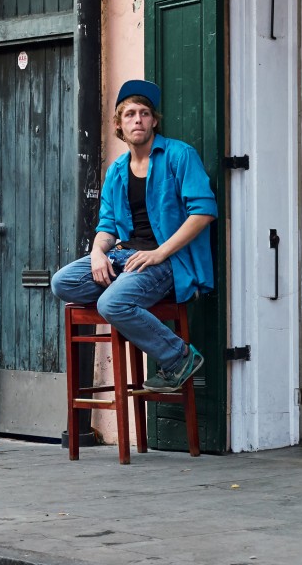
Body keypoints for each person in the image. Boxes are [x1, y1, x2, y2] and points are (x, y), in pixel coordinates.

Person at [51, 80, 216, 392]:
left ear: (154, 120)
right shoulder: (117, 170)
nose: (137, 120)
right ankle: (126, 302)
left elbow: (203, 213)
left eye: (144, 113)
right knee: (63, 282)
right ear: (119, 124)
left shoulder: (180, 156)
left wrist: (159, 253)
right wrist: (98, 253)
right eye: (129, 114)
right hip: (123, 257)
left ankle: (178, 357)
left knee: (111, 304)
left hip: (167, 261)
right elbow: (107, 226)